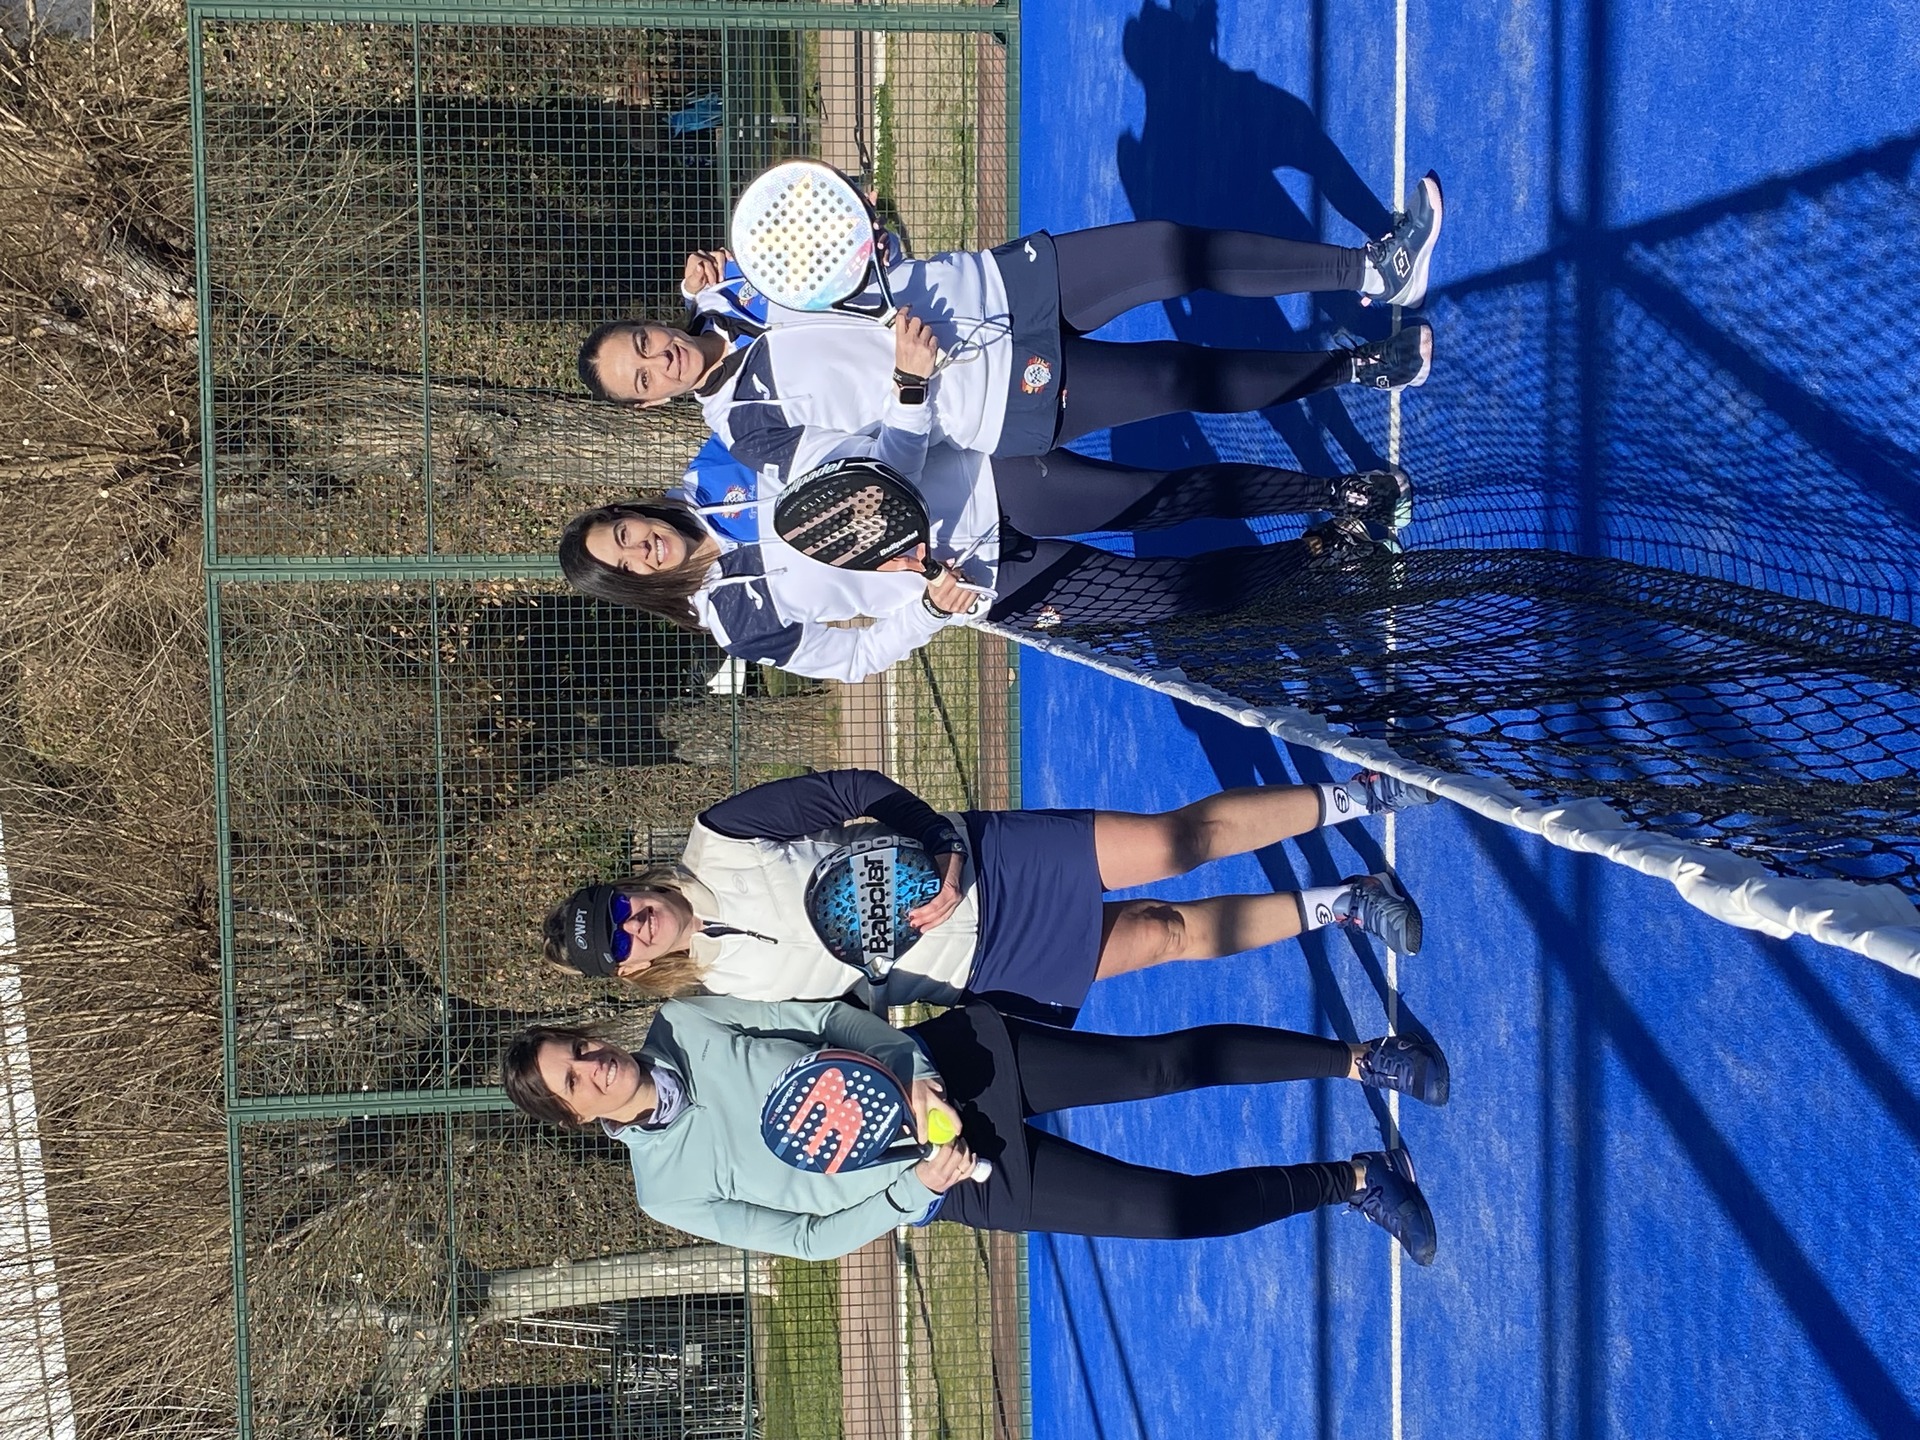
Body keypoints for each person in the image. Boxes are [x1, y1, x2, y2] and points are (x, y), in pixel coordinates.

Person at [557, 188, 1444, 680]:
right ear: (646, 406)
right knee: (1170, 483)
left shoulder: (734, 300)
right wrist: (925, 601)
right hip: (984, 478)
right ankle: (1333, 517)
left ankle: (1374, 272)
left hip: (984, 313)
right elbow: (865, 493)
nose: (657, 361)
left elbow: (855, 256)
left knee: (1167, 250)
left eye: (644, 346)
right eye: (642, 379)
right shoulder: (743, 465)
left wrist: (860, 231)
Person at [500, 996, 1447, 1263]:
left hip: (962, 1062)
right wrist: (916, 1187)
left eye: (578, 1046)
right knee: (1171, 1215)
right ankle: (1360, 1180)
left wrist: (913, 1070)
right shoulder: (665, 1191)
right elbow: (804, 1238)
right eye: (574, 1080)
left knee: (1159, 1065)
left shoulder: (686, 1020)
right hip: (947, 1179)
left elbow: (826, 1021)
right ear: (577, 1117)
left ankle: (1362, 1059)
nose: (593, 1062)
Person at [544, 767, 1430, 1019]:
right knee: (1167, 934)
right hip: (980, 965)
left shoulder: (720, 837)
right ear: (629, 970)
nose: (632, 924)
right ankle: (1347, 902)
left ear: (625, 886)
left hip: (989, 863)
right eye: (617, 941)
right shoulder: (725, 993)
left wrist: (940, 846)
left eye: (615, 908)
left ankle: (1358, 794)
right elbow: (844, 1024)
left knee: (1176, 843)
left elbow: (853, 789)